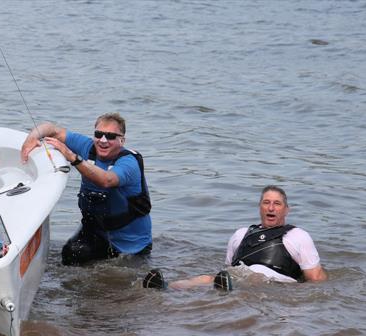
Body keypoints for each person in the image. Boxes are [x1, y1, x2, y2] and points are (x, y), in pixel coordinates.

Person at [21, 113, 152, 266]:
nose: (103, 140)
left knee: (125, 279)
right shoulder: (87, 146)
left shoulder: (129, 163)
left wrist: (72, 157)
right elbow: (51, 129)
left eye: (110, 136)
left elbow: (106, 180)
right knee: (72, 254)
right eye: (99, 134)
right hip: (98, 233)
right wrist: (30, 139)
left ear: (121, 140)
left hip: (132, 245)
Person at [143, 185, 327, 290]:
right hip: (236, 277)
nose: (271, 208)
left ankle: (228, 291)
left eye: (277, 204)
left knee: (254, 278)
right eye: (266, 203)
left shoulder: (298, 236)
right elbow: (228, 269)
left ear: (286, 210)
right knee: (208, 278)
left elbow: (316, 279)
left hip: (272, 284)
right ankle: (166, 287)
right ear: (260, 207)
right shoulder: (240, 235)